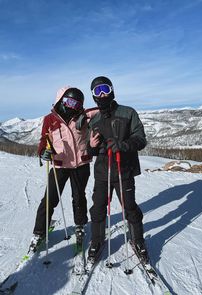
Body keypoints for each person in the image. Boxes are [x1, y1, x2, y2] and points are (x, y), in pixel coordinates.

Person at [87, 76, 149, 262]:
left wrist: (123, 145)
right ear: (94, 96)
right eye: (98, 91)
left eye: (105, 89)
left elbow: (140, 139)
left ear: (112, 90)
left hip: (124, 170)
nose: (102, 94)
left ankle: (137, 240)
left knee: (129, 208)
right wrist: (91, 146)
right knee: (98, 209)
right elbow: (93, 149)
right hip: (102, 173)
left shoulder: (128, 113)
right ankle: (97, 240)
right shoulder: (95, 120)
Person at [29, 86, 97, 252]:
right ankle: (39, 231)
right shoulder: (50, 119)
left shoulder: (84, 116)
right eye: (69, 101)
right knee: (50, 198)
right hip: (59, 165)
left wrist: (84, 115)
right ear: (60, 99)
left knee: (79, 197)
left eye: (77, 103)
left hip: (81, 164)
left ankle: (80, 225)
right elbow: (44, 141)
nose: (72, 106)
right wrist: (43, 152)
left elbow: (102, 108)